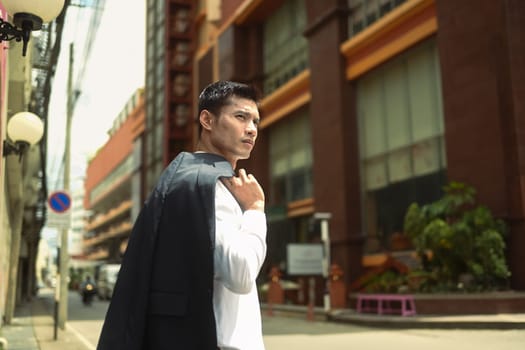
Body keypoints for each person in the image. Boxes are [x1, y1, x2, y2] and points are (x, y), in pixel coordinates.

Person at [97, 81, 267, 350]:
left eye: (256, 121)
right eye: (240, 117)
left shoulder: (185, 177)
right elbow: (241, 272)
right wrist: (255, 210)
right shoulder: (208, 186)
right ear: (207, 120)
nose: (251, 129)